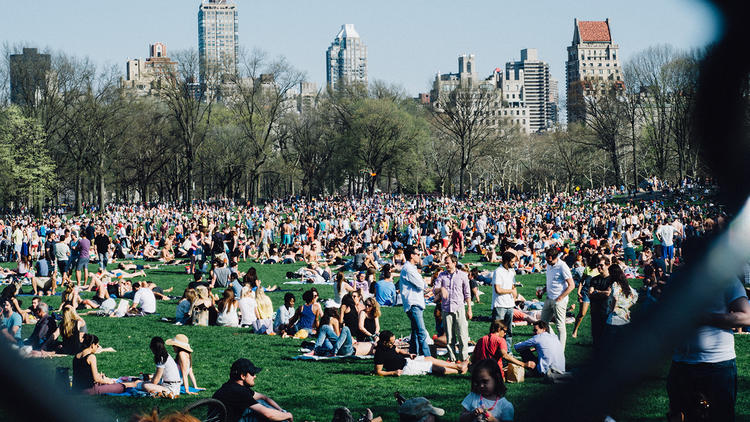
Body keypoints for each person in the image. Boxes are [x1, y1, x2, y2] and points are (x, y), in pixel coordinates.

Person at [667, 276, 750, 421]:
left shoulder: (727, 279)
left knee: (721, 416)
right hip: (681, 362)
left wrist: (705, 318)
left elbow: (746, 317)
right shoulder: (677, 278)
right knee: (681, 415)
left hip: (718, 364)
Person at [212, 358, 293, 422]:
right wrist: (288, 415)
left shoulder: (230, 386)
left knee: (261, 403)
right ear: (243, 376)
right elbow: (268, 415)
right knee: (265, 414)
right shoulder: (239, 392)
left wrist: (281, 410)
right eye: (252, 374)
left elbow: (263, 397)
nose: (255, 376)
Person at [432, 254, 472, 362]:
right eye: (445, 263)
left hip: (459, 308)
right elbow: (435, 289)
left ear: (454, 263)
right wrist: (441, 289)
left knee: (462, 334)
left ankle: (464, 358)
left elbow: (467, 294)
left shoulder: (463, 275)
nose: (446, 265)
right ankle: (452, 358)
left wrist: (469, 309)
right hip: (446, 309)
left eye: (448, 263)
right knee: (449, 336)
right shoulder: (442, 276)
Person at [374, 330, 467, 376]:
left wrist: (408, 354)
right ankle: (458, 371)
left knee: (429, 358)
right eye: (391, 342)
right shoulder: (379, 353)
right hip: (406, 368)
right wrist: (393, 372)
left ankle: (458, 366)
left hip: (407, 360)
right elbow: (378, 371)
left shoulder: (391, 346)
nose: (393, 343)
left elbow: (398, 350)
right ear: (384, 342)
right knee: (433, 368)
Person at [72, 334, 137, 394]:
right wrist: (108, 381)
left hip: (76, 389)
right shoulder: (91, 357)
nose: (97, 347)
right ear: (92, 345)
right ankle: (137, 384)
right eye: (97, 345)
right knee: (122, 386)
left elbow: (82, 373)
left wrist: (99, 376)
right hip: (89, 390)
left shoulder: (76, 356)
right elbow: (96, 379)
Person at [540, 247, 574, 351]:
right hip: (549, 298)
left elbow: (571, 285)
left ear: (552, 257)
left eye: (548, 260)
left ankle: (560, 351)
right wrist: (543, 290)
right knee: (543, 323)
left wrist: (561, 297)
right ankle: (554, 341)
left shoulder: (562, 266)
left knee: (560, 326)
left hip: (559, 300)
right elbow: (551, 281)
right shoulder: (549, 265)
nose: (547, 262)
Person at [400, 246, 431, 357]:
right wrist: (425, 285)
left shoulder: (411, 268)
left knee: (415, 332)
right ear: (412, 255)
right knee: (421, 332)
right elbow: (421, 284)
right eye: (418, 254)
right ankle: (427, 356)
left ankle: (414, 354)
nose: (420, 256)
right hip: (413, 303)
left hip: (415, 303)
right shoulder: (409, 269)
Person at [604, 265, 638, 348]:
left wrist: (612, 309)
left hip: (615, 317)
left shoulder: (615, 284)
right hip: (625, 317)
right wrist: (627, 306)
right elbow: (635, 296)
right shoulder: (626, 285)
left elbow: (615, 297)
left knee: (610, 344)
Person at [491, 251, 518, 348]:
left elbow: (513, 286)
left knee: (508, 331)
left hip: (509, 305)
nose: (513, 264)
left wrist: (514, 296)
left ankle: (508, 351)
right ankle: (495, 350)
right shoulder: (498, 271)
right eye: (512, 262)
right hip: (500, 305)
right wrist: (511, 291)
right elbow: (498, 289)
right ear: (506, 261)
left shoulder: (511, 272)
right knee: (497, 331)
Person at [588, 258, 613, 352]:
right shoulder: (594, 279)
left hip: (606, 310)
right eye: (598, 265)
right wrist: (601, 293)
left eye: (601, 265)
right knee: (595, 335)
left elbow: (608, 293)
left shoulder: (611, 279)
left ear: (607, 265)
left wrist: (597, 292)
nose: (599, 267)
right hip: (595, 310)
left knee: (606, 335)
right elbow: (590, 294)